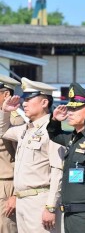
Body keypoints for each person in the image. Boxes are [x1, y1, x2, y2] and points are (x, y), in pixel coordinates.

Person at [0, 77, 64, 233]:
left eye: (29, 99)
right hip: (23, 201)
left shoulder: (52, 131)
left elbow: (58, 171)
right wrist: (5, 112)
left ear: (44, 103)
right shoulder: (25, 129)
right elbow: (3, 132)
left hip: (39, 201)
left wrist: (50, 207)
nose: (24, 103)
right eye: (24, 99)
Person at [46, 83, 85, 233]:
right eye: (70, 108)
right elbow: (54, 134)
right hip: (70, 215)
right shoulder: (73, 138)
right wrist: (55, 120)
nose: (70, 112)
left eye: (76, 108)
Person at [0, 75, 25, 233]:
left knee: (6, 227)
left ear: (6, 95)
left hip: (6, 186)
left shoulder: (15, 120)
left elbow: (23, 159)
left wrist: (16, 194)